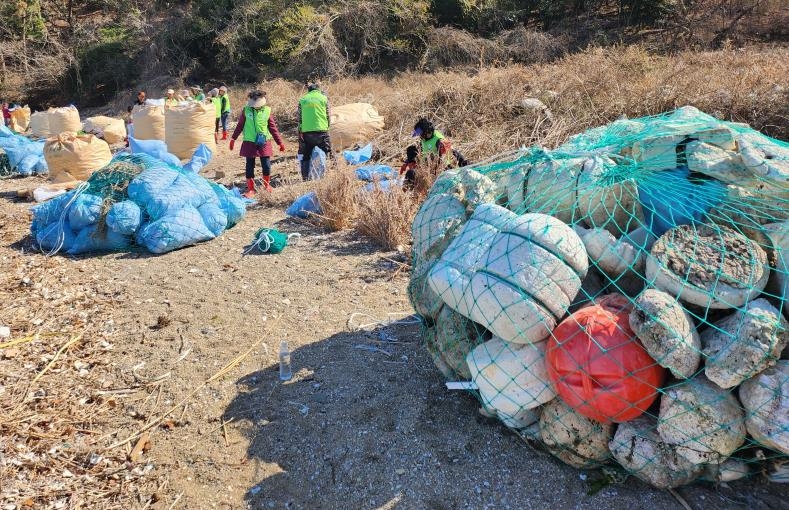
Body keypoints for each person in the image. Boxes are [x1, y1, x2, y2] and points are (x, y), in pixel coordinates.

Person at [230, 91, 286, 197]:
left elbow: (273, 128)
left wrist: (280, 142)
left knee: (266, 165)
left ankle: (266, 185)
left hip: (264, 142)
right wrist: (233, 138)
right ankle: (251, 189)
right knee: (249, 165)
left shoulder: (267, 111)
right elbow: (240, 125)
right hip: (249, 142)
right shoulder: (246, 110)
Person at [400, 117, 468, 188]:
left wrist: (464, 163)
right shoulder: (424, 140)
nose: (420, 136)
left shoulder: (439, 141)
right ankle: (409, 193)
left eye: (421, 134)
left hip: (440, 169)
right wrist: (408, 161)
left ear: (426, 132)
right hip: (426, 167)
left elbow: (454, 153)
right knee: (411, 150)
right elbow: (419, 150)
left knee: (412, 173)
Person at [297, 79, 332, 181]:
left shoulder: (303, 99)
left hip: (307, 132)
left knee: (305, 155)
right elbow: (328, 115)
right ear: (318, 89)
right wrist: (327, 127)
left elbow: (299, 118)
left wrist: (300, 131)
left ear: (309, 90)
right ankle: (327, 175)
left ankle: (305, 178)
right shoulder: (324, 98)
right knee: (328, 152)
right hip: (322, 130)